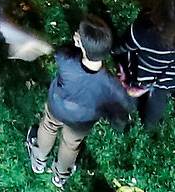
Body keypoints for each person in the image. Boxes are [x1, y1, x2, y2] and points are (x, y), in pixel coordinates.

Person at [26, 17, 137, 188]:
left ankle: (39, 160)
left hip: (58, 106)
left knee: (48, 126)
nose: (75, 34)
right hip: (82, 121)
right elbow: (124, 108)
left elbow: (60, 51)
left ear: (83, 47)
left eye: (79, 35)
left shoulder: (66, 59)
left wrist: (74, 45)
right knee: (71, 145)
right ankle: (60, 175)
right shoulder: (111, 86)